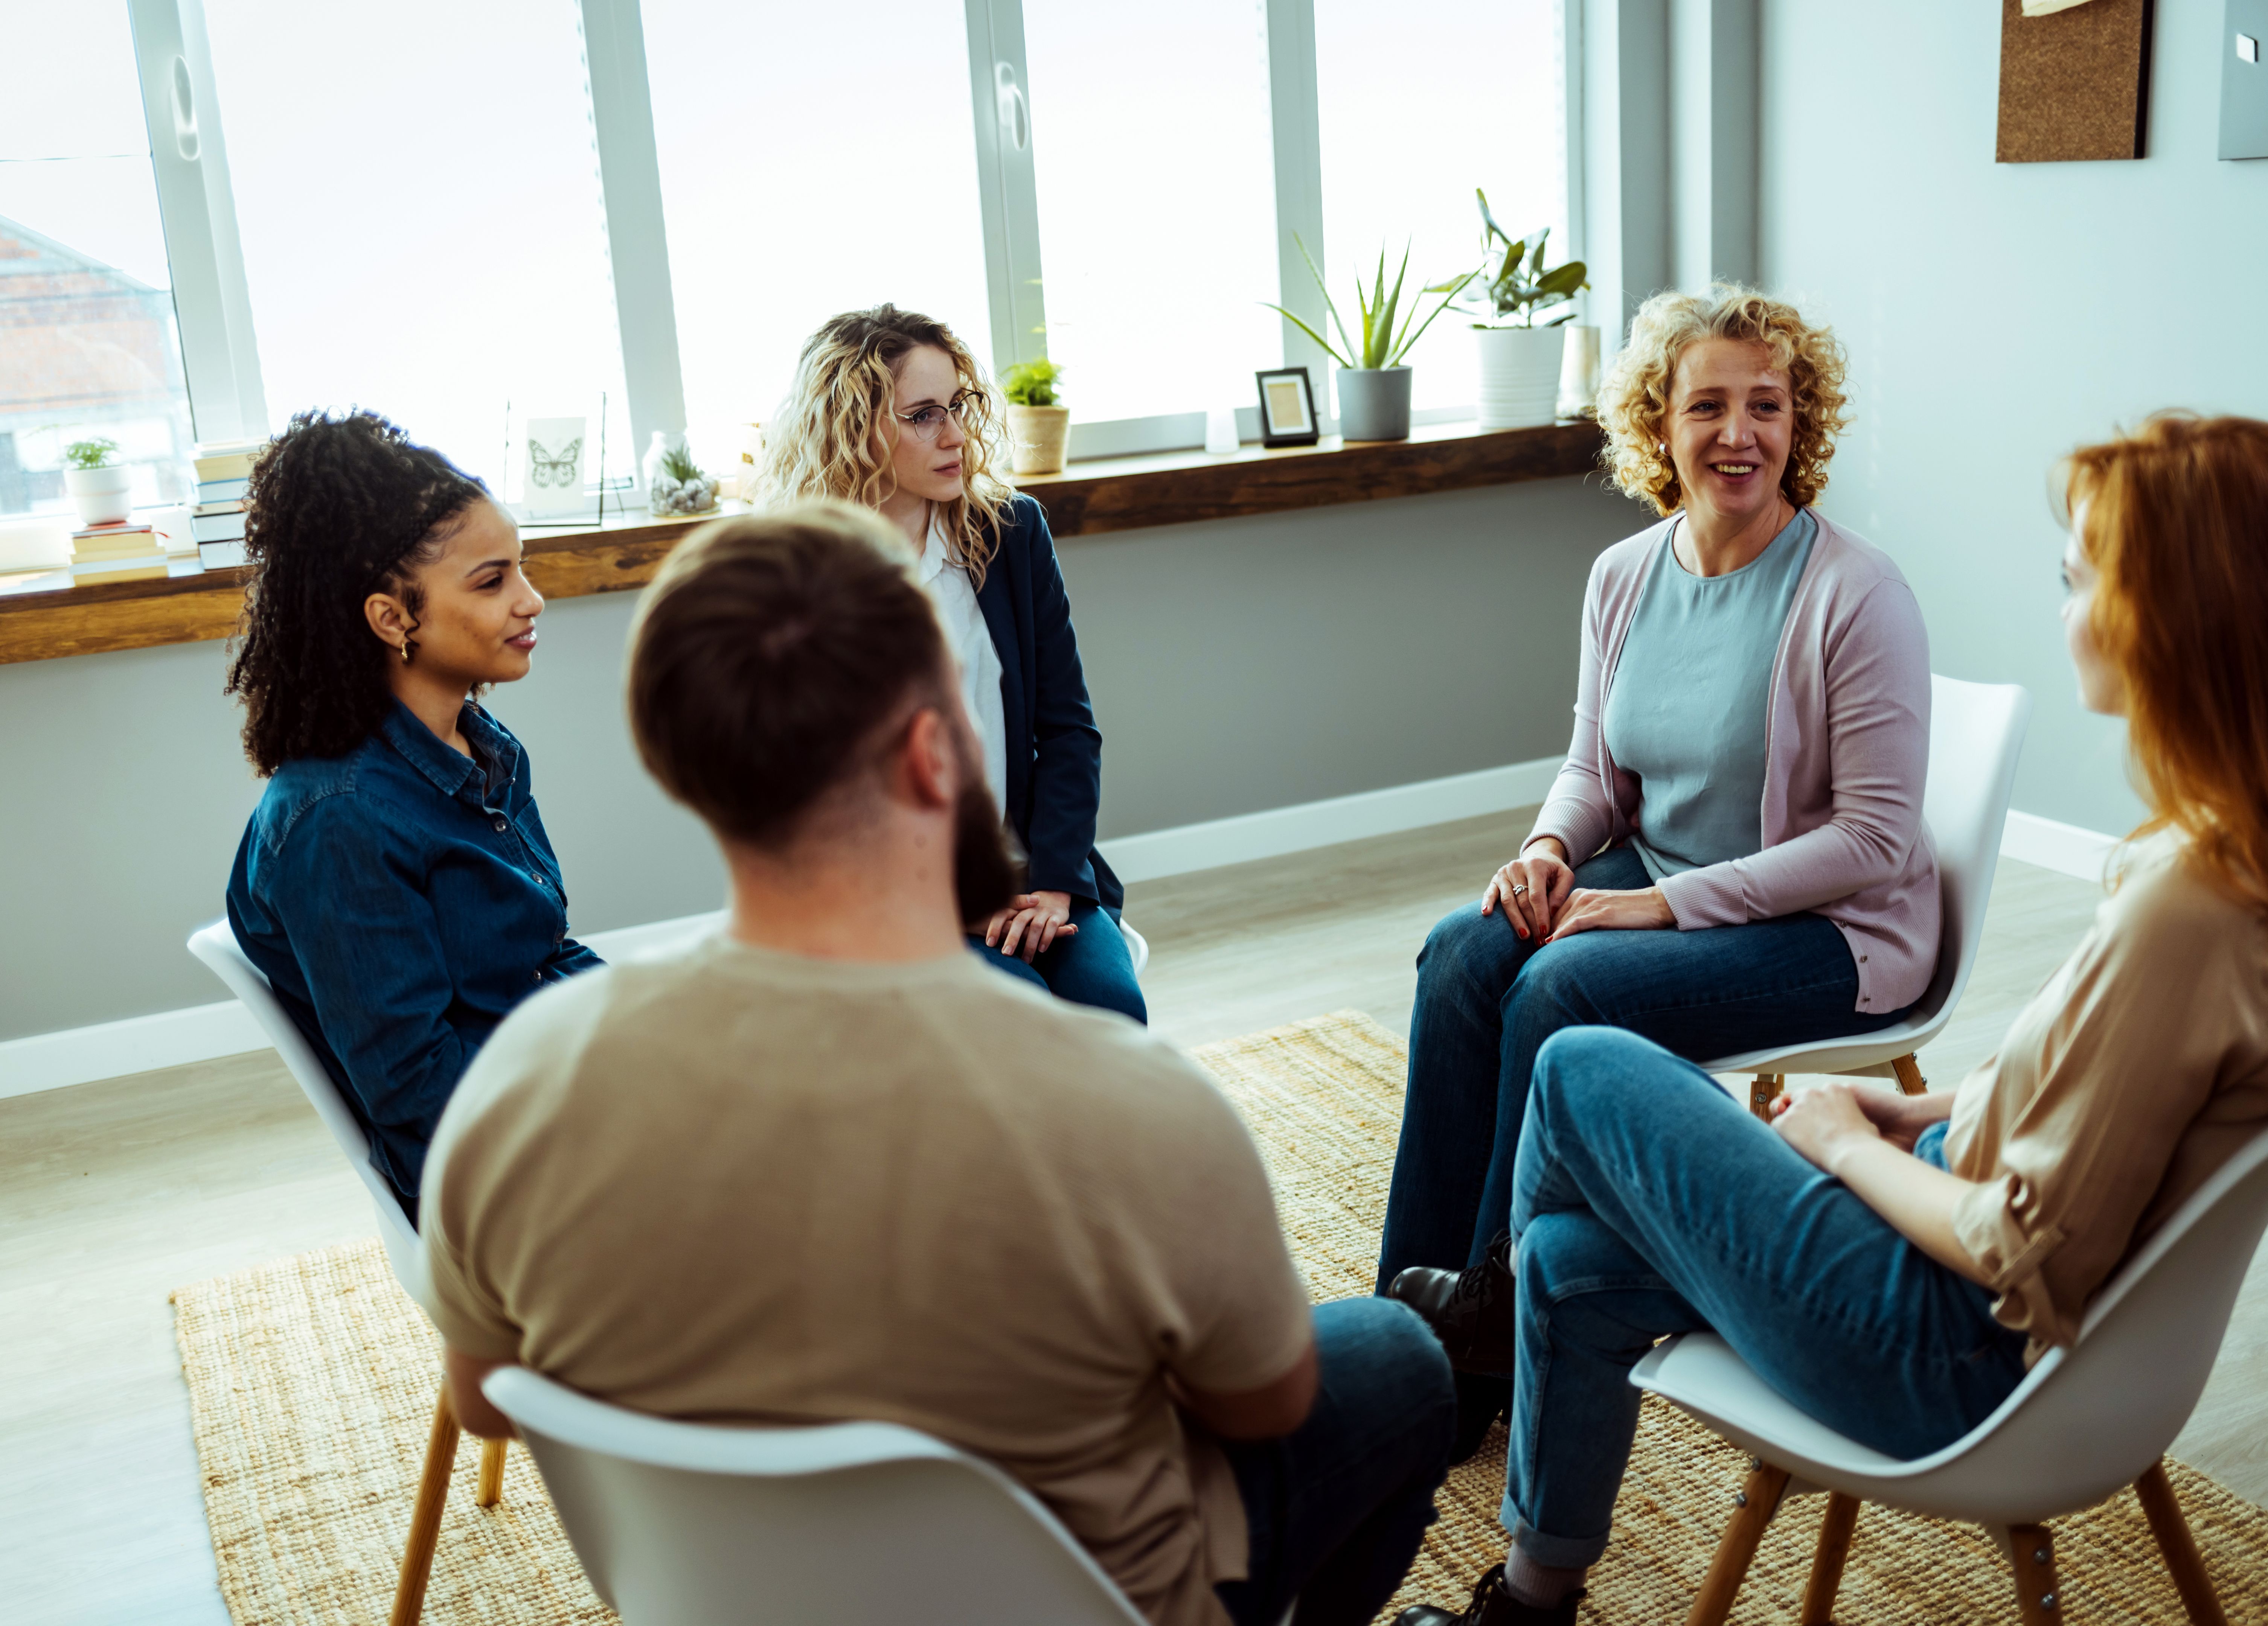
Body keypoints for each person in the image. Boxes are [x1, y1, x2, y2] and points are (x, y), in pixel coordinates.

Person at [1388, 413, 2268, 1624]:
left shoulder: (2189, 908)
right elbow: (2121, 1104)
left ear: (2182, 618)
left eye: (2081, 574)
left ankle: (1484, 1312)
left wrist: (1835, 1141)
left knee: (1577, 1063)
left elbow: (2019, 1252)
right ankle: (1527, 1595)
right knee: (1569, 1259)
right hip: (1952, 1274)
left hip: (1941, 1345)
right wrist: (1926, 1105)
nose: (2063, 602)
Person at [420, 504, 1455, 1626]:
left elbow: (484, 1402)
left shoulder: (519, 1085)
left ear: (681, 764)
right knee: (1397, 1353)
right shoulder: (1133, 1104)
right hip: (1084, 1604)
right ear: (932, 755)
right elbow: (1260, 1403)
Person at [1377, 286, 1938, 1454]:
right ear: (1657, 423)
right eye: (1708, 406)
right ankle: (1410, 1327)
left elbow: (1874, 843)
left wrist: (1655, 906)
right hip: (1671, 877)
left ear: (1801, 424)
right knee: (1464, 953)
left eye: (1767, 406)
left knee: (1560, 986)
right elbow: (1594, 768)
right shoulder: (1625, 574)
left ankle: (1493, 1304)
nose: (1739, 434)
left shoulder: (1855, 592)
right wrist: (1543, 850)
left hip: (1832, 931)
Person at [223, 409, 597, 1218]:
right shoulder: (339, 821)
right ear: (393, 618)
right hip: (504, 1174)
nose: (533, 601)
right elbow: (422, 1092)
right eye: (493, 581)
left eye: (521, 570)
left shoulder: (481, 747)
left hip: (555, 1084)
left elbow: (541, 959)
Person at [759, 304, 1146, 1022]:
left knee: (1112, 1012)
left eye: (959, 406)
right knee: (1026, 1025)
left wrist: (1056, 886)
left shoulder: (1011, 534)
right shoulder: (797, 580)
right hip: (895, 903)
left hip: (1037, 879)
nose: (956, 435)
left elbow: (1068, 730)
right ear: (853, 428)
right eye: (923, 415)